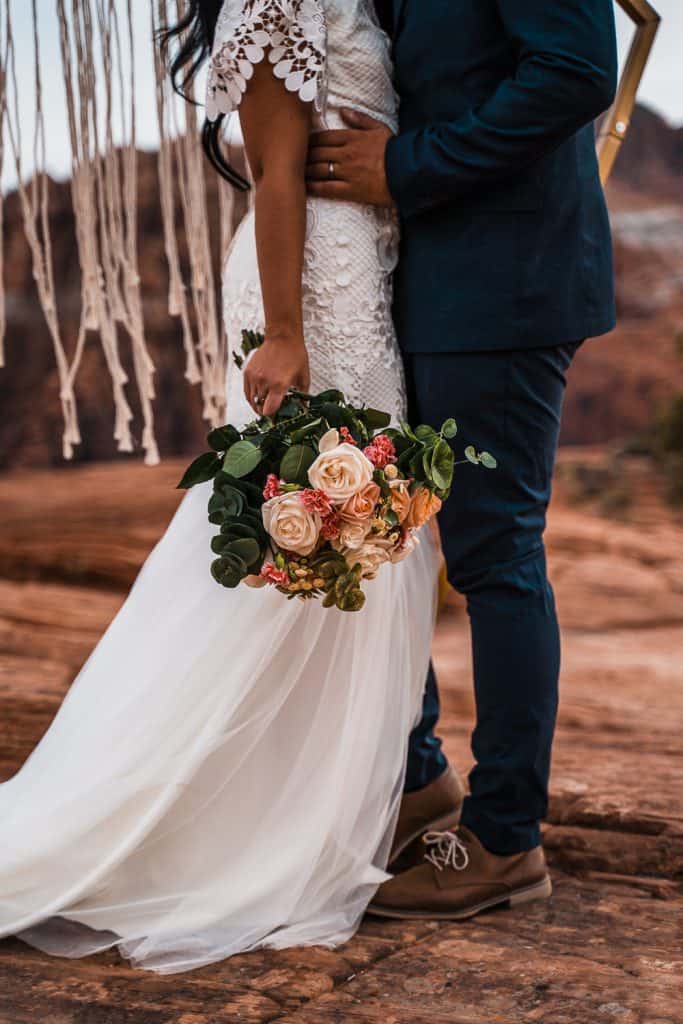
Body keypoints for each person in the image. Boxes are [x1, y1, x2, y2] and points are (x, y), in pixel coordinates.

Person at [0, 0, 462, 974]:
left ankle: (335, 796)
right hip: (313, 283)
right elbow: (275, 166)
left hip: (364, 271)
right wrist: (286, 332)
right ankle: (247, 818)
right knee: (307, 530)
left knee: (360, 537)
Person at [306, 0, 618, 918]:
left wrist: (407, 167)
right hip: (415, 282)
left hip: (502, 286)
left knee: (494, 557)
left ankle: (506, 838)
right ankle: (419, 783)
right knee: (386, 541)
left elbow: (575, 70)